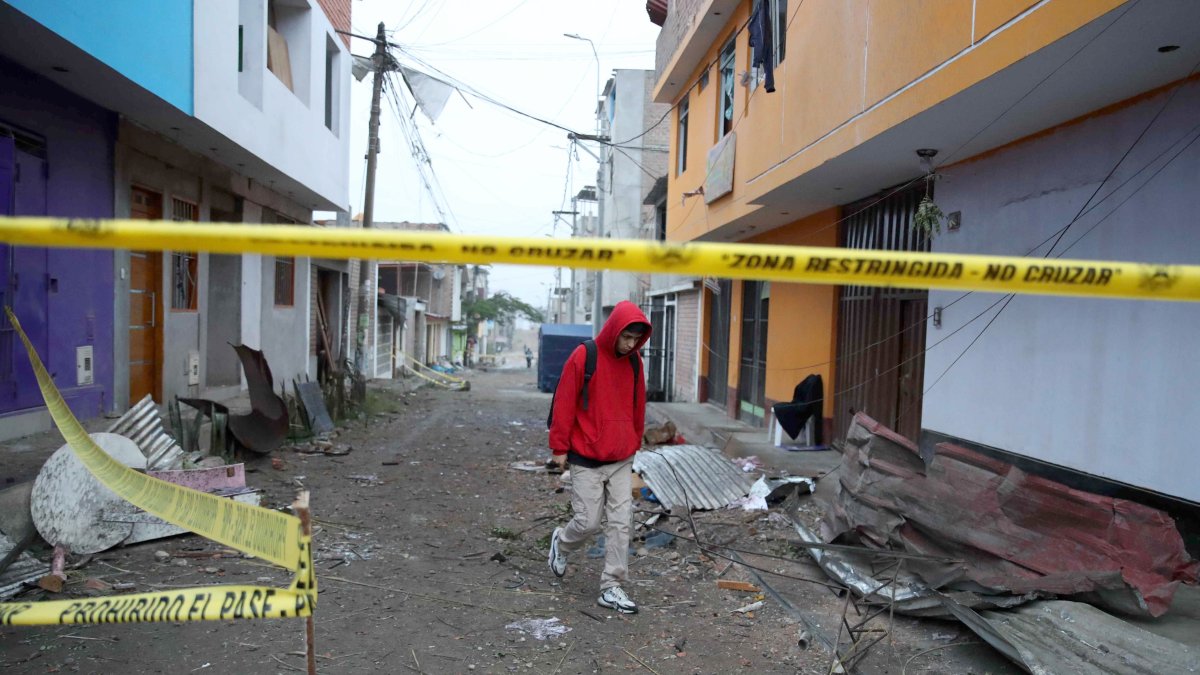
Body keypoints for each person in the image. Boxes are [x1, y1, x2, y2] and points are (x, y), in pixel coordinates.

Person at [547, 301, 651, 614]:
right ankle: (562, 544)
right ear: (614, 330)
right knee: (588, 522)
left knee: (621, 523)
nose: (631, 344)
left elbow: (638, 404)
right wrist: (559, 448)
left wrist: (634, 440)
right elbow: (564, 402)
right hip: (586, 457)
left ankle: (612, 587)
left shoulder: (634, 363)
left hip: (620, 458)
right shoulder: (585, 356)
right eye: (626, 337)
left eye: (636, 338)